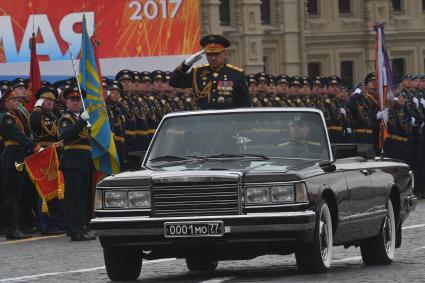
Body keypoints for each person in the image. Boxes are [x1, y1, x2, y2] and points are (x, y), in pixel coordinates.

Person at [1, 86, 42, 240]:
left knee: (16, 195)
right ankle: (12, 229)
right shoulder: (7, 118)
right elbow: (17, 136)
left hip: (18, 157)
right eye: (12, 99)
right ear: (5, 102)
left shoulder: (15, 116)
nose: (16, 101)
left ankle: (16, 227)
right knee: (12, 196)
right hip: (11, 158)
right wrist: (35, 147)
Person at [170, 34, 251, 109]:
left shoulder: (236, 74)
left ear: (225, 54)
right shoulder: (197, 72)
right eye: (209, 55)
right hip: (204, 120)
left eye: (216, 54)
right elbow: (174, 82)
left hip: (228, 121)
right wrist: (186, 64)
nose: (213, 58)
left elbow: (244, 104)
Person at [58, 85, 95, 241]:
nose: (75, 102)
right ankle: (74, 230)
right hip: (72, 160)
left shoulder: (83, 118)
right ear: (66, 102)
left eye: (78, 99)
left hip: (85, 161)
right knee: (73, 197)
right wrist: (81, 122)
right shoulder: (65, 119)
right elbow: (66, 135)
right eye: (72, 99)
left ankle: (82, 226)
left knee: (83, 197)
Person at [29, 86, 64, 235]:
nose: (49, 103)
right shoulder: (36, 116)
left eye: (51, 100)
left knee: (55, 190)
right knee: (44, 191)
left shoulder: (54, 116)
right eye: (45, 100)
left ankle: (55, 223)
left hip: (55, 154)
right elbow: (35, 126)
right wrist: (37, 108)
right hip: (43, 156)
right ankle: (45, 225)